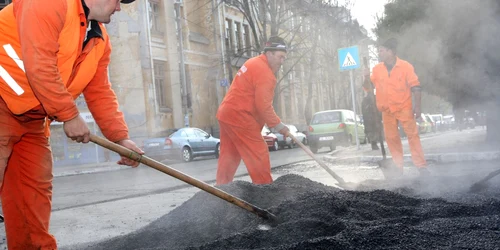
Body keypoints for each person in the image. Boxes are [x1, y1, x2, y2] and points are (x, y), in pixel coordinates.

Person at [0, 0, 142, 249]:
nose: (119, 8)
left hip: (32, 120)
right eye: (119, 0)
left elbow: (99, 91)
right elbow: (40, 65)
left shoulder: (99, 39)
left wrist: (120, 138)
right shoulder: (48, 3)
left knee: (32, 201)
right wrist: (69, 115)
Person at [216, 36, 290, 185]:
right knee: (258, 151)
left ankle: (221, 190)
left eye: (284, 58)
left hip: (227, 113)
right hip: (240, 115)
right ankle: (265, 190)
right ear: (269, 54)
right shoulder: (265, 74)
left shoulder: (252, 62)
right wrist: (280, 126)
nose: (282, 61)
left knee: (229, 154)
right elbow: (263, 106)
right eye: (280, 57)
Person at [364, 38, 429, 176]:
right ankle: (398, 168)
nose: (379, 53)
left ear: (391, 51)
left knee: (413, 136)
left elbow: (416, 87)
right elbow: (368, 88)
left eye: (382, 50)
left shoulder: (405, 67)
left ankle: (421, 167)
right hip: (387, 111)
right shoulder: (377, 70)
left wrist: (417, 107)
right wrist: (365, 77)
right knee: (392, 139)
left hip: (404, 108)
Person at [361, 82, 382, 150]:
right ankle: (375, 143)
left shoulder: (365, 100)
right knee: (376, 131)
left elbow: (364, 112)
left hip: (369, 119)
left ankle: (374, 143)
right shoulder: (375, 97)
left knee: (372, 131)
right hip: (374, 118)